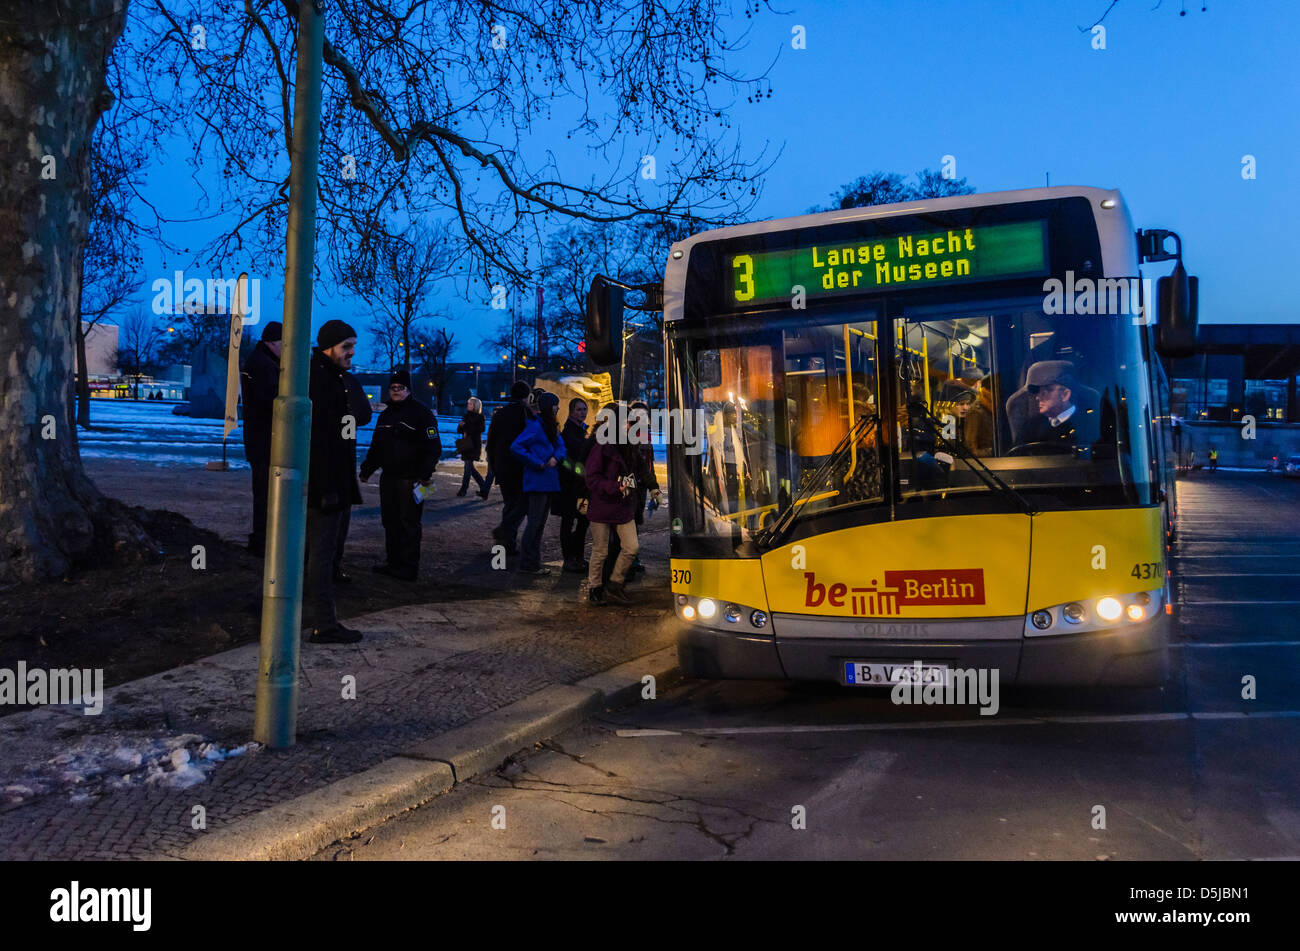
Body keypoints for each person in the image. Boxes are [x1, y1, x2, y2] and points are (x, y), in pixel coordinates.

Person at [304, 320, 364, 644]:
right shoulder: (322, 381)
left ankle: (316, 618)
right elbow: (322, 442)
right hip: (327, 485)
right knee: (322, 555)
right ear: (329, 346)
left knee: (319, 554)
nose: (351, 353)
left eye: (352, 346)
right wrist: (328, 487)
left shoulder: (333, 378)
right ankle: (324, 624)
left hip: (335, 482)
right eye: (346, 347)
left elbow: (345, 432)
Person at [359, 370, 440, 581]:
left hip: (411, 478)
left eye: (400, 388)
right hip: (390, 477)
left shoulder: (422, 414)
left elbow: (433, 447)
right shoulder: (385, 415)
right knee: (390, 521)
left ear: (408, 390)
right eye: (393, 388)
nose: (396, 391)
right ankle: (393, 562)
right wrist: (367, 468)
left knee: (409, 523)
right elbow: (377, 446)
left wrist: (424, 474)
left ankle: (409, 566)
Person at [584, 405, 640, 605]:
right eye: (625, 422)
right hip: (603, 504)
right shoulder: (602, 445)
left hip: (623, 505)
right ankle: (595, 588)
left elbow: (637, 469)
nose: (628, 425)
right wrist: (616, 486)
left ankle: (615, 583)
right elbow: (591, 478)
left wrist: (634, 485)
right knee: (600, 550)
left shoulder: (629, 445)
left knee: (631, 547)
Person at [511, 390, 566, 575]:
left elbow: (561, 447)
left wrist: (555, 459)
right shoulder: (535, 426)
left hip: (547, 480)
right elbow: (516, 447)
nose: (558, 408)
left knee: (539, 524)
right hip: (538, 480)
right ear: (550, 407)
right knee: (534, 523)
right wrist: (538, 463)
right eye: (556, 404)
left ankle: (533, 562)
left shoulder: (549, 426)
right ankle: (528, 563)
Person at [239, 321, 281, 556]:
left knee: (263, 492)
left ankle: (261, 539)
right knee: (266, 494)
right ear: (272, 343)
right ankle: (262, 541)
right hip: (266, 439)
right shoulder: (265, 366)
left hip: (259, 439)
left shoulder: (258, 362)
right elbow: (273, 400)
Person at [333, 366, 373, 583]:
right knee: (337, 520)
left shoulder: (305, 376)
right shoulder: (347, 381)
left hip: (314, 456)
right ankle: (332, 566)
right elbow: (364, 414)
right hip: (341, 457)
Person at [486, 380, 533, 555]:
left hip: (502, 466)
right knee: (522, 504)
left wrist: (494, 465)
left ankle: (507, 543)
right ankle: (505, 531)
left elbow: (491, 443)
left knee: (509, 504)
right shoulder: (527, 414)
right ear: (526, 396)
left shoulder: (500, 414)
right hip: (520, 467)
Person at [625, 401, 661, 578]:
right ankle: (629, 558)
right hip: (632, 484)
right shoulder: (628, 434)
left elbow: (649, 463)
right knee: (629, 520)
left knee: (636, 519)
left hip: (641, 484)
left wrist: (653, 486)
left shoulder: (646, 434)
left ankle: (633, 556)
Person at [556, 397, 591, 573]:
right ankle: (569, 558)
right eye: (579, 409)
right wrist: (579, 471)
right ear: (571, 411)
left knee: (583, 521)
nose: (582, 413)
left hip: (581, 486)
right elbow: (566, 461)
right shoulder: (568, 433)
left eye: (584, 409)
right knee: (569, 521)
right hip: (570, 486)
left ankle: (577, 556)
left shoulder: (581, 431)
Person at [1018, 360, 1079, 449]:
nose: (1038, 397)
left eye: (1047, 391)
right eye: (1038, 391)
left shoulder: (1088, 423)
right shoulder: (1031, 426)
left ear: (1065, 395)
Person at [455, 397, 488, 497]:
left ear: (475, 406)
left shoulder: (480, 417)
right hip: (466, 444)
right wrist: (461, 426)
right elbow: (459, 430)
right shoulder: (465, 416)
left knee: (468, 468)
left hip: (474, 445)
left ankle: (463, 490)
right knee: (470, 468)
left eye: (470, 404)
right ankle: (483, 486)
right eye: (468, 404)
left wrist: (465, 426)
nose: (468, 405)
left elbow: (480, 430)